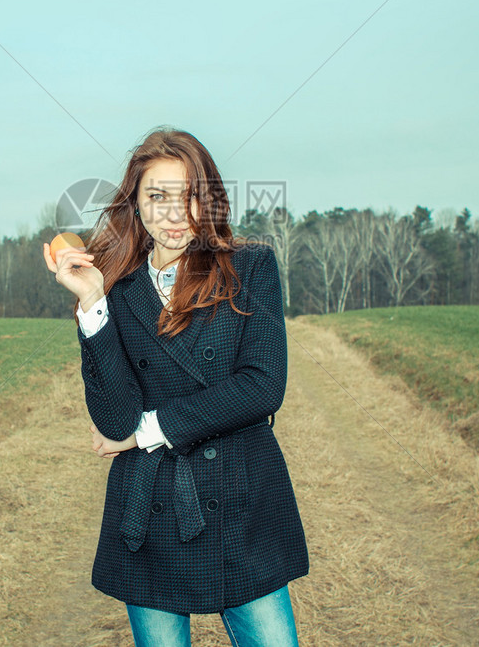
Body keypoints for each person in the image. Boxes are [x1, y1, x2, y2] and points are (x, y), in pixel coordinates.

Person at [42, 127, 308, 647]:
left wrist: (149, 430)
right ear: (136, 206)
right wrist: (92, 304)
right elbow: (113, 420)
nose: (173, 213)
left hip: (240, 496)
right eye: (156, 197)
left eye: (188, 196)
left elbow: (262, 386)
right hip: (153, 506)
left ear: (208, 201)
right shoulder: (114, 289)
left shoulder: (250, 267)